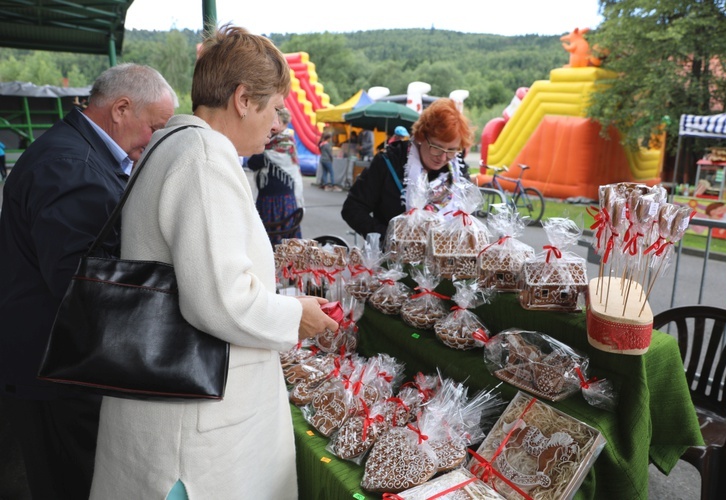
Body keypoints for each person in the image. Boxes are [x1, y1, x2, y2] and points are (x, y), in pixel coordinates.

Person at [88, 25, 339, 499]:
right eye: (275, 109)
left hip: (175, 408)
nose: (278, 125)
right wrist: (294, 315)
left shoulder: (172, 144)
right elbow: (219, 299)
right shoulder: (204, 157)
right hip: (195, 433)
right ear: (244, 99)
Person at [0, 63, 177, 500]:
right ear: (121, 109)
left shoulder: (77, 152)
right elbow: (83, 286)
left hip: (52, 362)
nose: (153, 141)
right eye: (154, 127)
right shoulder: (71, 166)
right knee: (71, 484)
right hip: (56, 373)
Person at [342, 98, 473, 241]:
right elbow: (353, 208)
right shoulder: (389, 161)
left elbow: (467, 217)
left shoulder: (458, 171)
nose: (442, 158)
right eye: (436, 147)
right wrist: (388, 237)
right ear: (421, 136)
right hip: (391, 259)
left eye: (452, 150)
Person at [245, 108, 303, 245]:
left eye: (277, 121)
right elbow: (253, 163)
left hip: (282, 200)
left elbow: (256, 160)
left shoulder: (286, 143)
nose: (273, 125)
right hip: (266, 200)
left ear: (284, 124)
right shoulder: (267, 141)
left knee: (284, 243)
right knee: (265, 241)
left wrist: (262, 155)